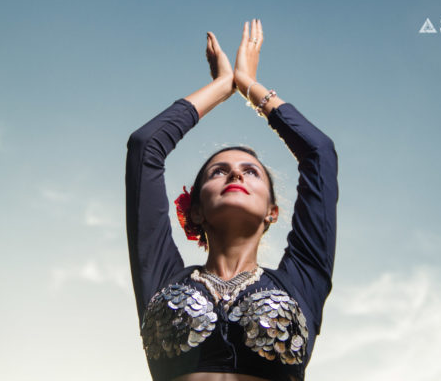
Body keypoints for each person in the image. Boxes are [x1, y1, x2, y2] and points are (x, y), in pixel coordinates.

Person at [125, 19, 338, 381]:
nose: (236, 174)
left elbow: (319, 153)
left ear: (272, 212)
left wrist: (250, 86)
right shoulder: (161, 276)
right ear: (195, 209)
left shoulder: (302, 279)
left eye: (251, 171)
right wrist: (222, 87)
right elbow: (145, 148)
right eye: (218, 171)